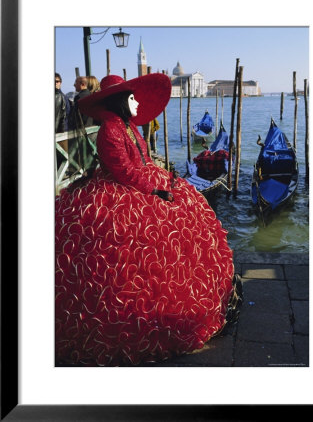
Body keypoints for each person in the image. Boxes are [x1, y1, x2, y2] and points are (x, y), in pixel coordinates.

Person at [55, 73, 241, 366]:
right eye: (131, 98)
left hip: (143, 180)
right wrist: (156, 189)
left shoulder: (129, 127)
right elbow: (124, 172)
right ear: (119, 101)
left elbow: (142, 162)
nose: (137, 102)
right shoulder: (110, 131)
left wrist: (162, 179)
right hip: (121, 189)